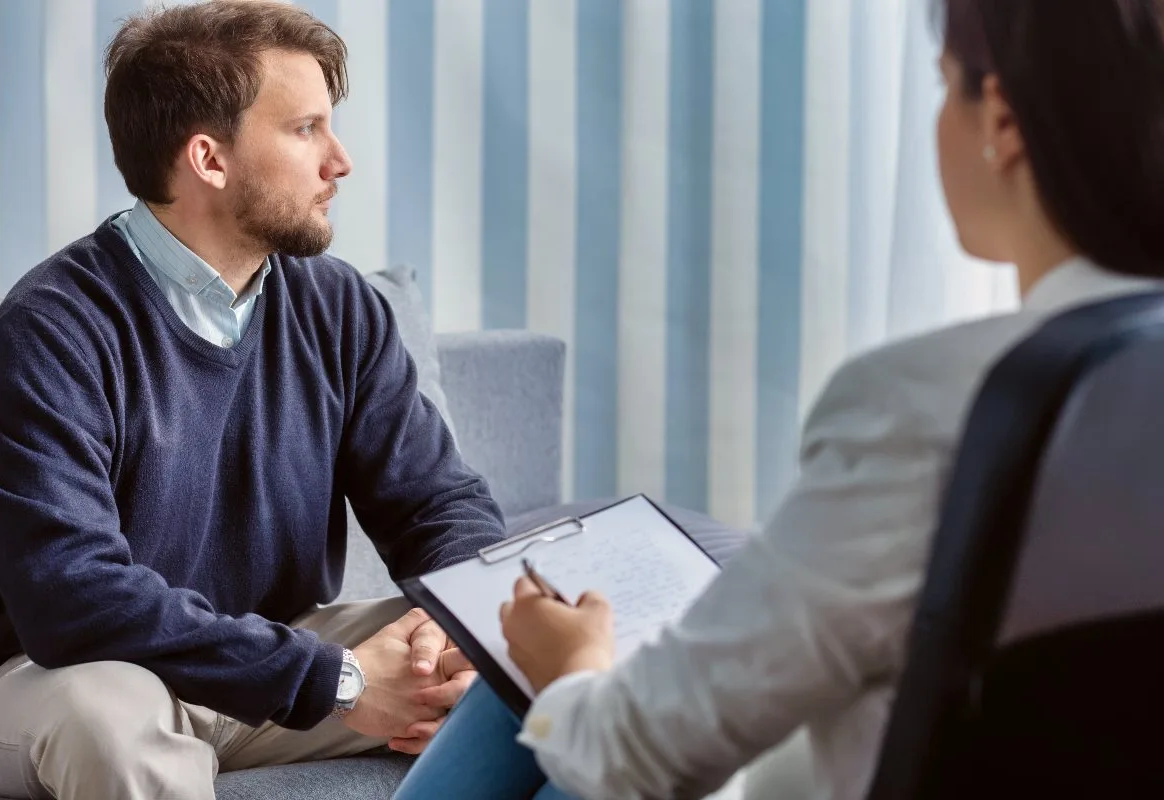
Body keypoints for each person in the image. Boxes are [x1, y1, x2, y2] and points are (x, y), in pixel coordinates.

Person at [394, 0, 1164, 797]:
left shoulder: (925, 402)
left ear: (1000, 121)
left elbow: (638, 757)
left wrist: (571, 668)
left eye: (943, 88)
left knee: (539, 694)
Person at [0, 2, 504, 798]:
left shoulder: (339, 307)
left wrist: (457, 626)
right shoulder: (54, 328)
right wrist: (341, 684)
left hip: (270, 658)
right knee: (109, 717)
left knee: (533, 648)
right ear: (209, 160)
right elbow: (70, 598)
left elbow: (438, 504)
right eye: (306, 130)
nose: (340, 161)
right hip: (64, 673)